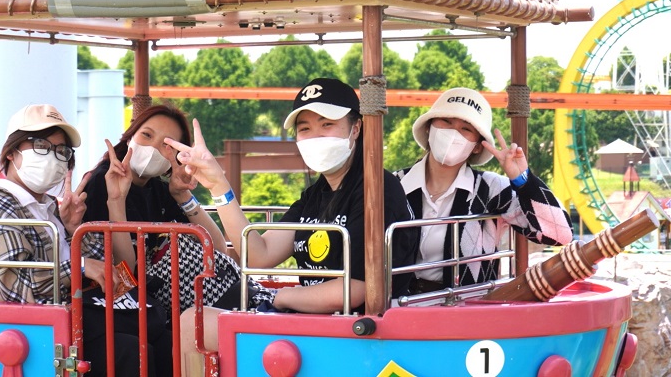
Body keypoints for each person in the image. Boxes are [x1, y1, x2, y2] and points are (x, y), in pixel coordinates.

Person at [168, 78, 418, 376]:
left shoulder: (376, 189)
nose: (315, 137)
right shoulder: (315, 195)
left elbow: (354, 290)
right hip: (316, 320)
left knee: (197, 324)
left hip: (360, 329)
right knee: (193, 322)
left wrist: (278, 297)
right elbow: (258, 254)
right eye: (305, 129)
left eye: (327, 124)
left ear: (356, 128)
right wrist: (217, 185)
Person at [0, 104, 166, 377]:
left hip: (71, 322)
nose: (53, 157)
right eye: (41, 145)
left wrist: (74, 229)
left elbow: (114, 268)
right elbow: (18, 291)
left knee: (160, 340)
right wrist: (80, 266)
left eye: (61, 151)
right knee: (129, 350)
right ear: (12, 152)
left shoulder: (49, 207)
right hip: (35, 335)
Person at [81, 104, 274, 319]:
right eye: (146, 135)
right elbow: (124, 270)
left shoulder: (160, 188)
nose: (153, 148)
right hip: (146, 305)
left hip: (205, 294)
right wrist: (116, 200)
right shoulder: (102, 182)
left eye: (167, 145)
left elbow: (216, 247)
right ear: (129, 138)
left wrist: (182, 196)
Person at [393, 87, 574, 294]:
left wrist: (524, 180)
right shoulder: (395, 185)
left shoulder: (491, 189)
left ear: (478, 146)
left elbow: (560, 234)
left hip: (469, 307)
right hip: (398, 305)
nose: (453, 133)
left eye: (466, 129)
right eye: (447, 122)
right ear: (429, 127)